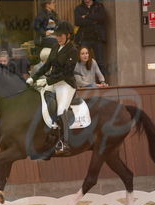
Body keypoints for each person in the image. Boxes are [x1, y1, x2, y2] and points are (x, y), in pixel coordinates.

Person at [27, 21, 78, 155]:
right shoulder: (55, 47)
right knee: (43, 100)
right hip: (53, 82)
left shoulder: (73, 50)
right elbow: (46, 65)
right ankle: (51, 130)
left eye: (60, 36)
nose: (58, 38)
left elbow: (66, 72)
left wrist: (47, 81)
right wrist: (34, 77)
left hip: (66, 84)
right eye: (57, 35)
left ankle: (65, 143)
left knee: (61, 110)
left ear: (68, 35)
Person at [74, 0, 107, 75]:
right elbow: (78, 21)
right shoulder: (79, 8)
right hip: (84, 38)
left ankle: (103, 83)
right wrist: (94, 20)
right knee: (83, 61)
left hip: (97, 38)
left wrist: (86, 16)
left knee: (100, 62)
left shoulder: (99, 6)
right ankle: (85, 82)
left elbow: (101, 18)